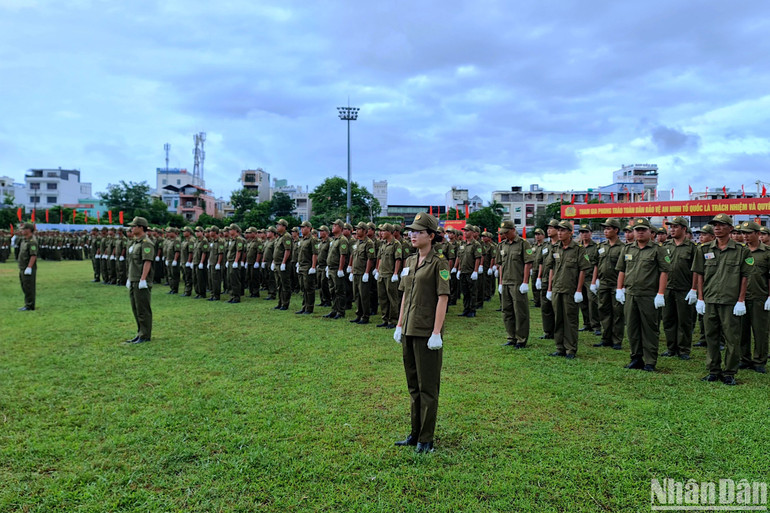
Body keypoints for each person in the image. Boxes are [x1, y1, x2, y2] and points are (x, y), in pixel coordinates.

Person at [393, 212, 449, 454]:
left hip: (427, 331)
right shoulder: (409, 262)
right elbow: (405, 294)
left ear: (431, 236)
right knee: (413, 386)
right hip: (409, 328)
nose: (412, 235)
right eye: (411, 231)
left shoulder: (439, 262)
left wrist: (436, 332)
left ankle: (426, 439)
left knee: (428, 388)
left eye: (418, 231)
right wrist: (399, 324)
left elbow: (443, 297)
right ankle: (415, 433)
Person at [691, 214, 750, 385]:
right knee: (711, 336)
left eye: (721, 225)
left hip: (730, 302)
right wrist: (700, 298)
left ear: (730, 228)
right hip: (710, 300)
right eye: (715, 225)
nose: (717, 228)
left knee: (732, 338)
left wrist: (741, 300)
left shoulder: (741, 251)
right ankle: (713, 370)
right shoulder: (704, 249)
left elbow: (745, 277)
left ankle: (730, 372)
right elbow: (700, 274)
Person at [615, 218, 670, 372]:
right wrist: (619, 289)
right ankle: (636, 357)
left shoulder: (658, 249)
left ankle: (650, 361)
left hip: (649, 295)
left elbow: (664, 272)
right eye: (637, 230)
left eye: (643, 230)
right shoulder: (627, 249)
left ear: (650, 232)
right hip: (631, 294)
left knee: (649, 329)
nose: (639, 232)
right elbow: (622, 270)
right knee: (632, 328)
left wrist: (660, 293)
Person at [546, 220, 592, 359]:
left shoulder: (578, 249)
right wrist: (549, 288)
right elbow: (551, 269)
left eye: (563, 230)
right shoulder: (555, 248)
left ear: (570, 233)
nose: (559, 233)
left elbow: (583, 270)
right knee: (558, 319)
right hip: (557, 289)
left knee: (570, 320)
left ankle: (570, 349)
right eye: (558, 230)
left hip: (570, 290)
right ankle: (560, 347)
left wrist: (579, 290)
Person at [735, 221, 770, 374]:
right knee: (742, 330)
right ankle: (744, 358)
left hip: (759, 297)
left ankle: (759, 360)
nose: (745, 236)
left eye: (749, 233)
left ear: (757, 234)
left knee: (760, 331)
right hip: (741, 298)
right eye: (744, 233)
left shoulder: (767, 252)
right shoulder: (740, 251)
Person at [662, 217, 698, 360]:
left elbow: (696, 270)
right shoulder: (666, 246)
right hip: (668, 288)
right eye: (671, 227)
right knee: (668, 319)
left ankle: (683, 350)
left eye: (675, 227)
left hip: (684, 288)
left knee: (684, 321)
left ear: (684, 229)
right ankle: (671, 348)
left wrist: (694, 289)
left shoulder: (692, 247)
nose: (672, 229)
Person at [497, 220, 534, 348]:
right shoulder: (502, 245)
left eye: (507, 232)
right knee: (507, 311)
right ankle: (511, 337)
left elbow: (528, 264)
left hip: (517, 283)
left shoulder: (523, 244)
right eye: (503, 233)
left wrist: (525, 282)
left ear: (513, 230)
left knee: (520, 312)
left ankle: (521, 338)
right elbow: (500, 265)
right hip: (506, 282)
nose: (504, 235)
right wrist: (500, 282)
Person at [591, 218, 624, 350]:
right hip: (603, 283)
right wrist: (594, 281)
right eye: (604, 228)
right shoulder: (601, 246)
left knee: (617, 313)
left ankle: (617, 340)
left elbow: (625, 268)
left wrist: (622, 287)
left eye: (608, 228)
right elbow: (596, 265)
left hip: (616, 284)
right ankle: (606, 338)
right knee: (604, 311)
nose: (605, 231)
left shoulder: (623, 248)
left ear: (616, 230)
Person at [125, 216, 155, 343]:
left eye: (134, 226)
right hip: (133, 279)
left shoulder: (146, 243)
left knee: (143, 309)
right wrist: (129, 278)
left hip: (140, 281)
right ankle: (140, 332)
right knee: (136, 308)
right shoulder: (135, 242)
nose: (131, 228)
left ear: (140, 227)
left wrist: (143, 279)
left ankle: (145, 335)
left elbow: (147, 262)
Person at [296, 221, 318, 314]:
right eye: (301, 227)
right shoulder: (302, 240)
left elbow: (315, 253)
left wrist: (313, 266)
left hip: (307, 266)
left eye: (304, 227)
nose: (302, 229)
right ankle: (304, 306)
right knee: (303, 288)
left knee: (309, 288)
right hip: (301, 266)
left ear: (309, 228)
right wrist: (298, 263)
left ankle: (309, 307)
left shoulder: (312, 239)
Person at [17, 222, 38, 311]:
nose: (21, 231)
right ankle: (27, 303)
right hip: (22, 267)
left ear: (28, 230)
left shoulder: (32, 242)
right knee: (24, 286)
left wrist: (29, 267)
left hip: (28, 268)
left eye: (23, 229)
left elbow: (33, 255)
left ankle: (30, 305)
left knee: (29, 287)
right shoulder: (24, 240)